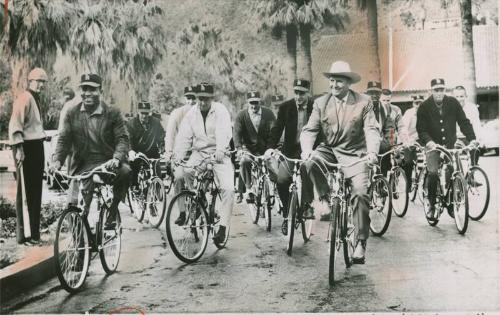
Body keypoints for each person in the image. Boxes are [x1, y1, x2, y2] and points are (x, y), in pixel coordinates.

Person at [300, 60, 380, 264]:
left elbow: (371, 129)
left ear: (349, 83)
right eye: (332, 81)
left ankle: (360, 242)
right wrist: (307, 150)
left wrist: (371, 152)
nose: (334, 85)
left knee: (361, 193)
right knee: (309, 164)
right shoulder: (320, 103)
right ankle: (326, 199)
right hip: (330, 150)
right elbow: (310, 130)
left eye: (339, 82)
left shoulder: (363, 102)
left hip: (355, 154)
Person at [53, 74, 131, 228]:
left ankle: (113, 210)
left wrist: (117, 158)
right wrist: (57, 160)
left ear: (100, 91)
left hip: (107, 162)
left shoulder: (112, 113)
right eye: (84, 88)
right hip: (82, 165)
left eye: (92, 89)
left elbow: (122, 138)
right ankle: (78, 243)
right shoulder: (72, 113)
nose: (87, 93)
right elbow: (64, 139)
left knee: (126, 172)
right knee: (73, 204)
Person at [172, 83, 234, 244]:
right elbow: (184, 136)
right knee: (185, 171)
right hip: (199, 153)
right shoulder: (192, 114)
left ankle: (222, 227)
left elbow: (224, 131)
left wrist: (220, 150)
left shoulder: (220, 111)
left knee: (228, 188)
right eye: (200, 99)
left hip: (219, 154)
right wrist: (178, 156)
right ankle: (199, 199)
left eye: (206, 99)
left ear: (212, 98)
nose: (202, 102)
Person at [416, 78, 478, 219]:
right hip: (433, 146)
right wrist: (429, 142)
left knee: (453, 170)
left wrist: (472, 138)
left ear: (445, 90)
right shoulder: (424, 107)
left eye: (442, 90)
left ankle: (451, 204)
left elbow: (464, 122)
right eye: (436, 90)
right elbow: (421, 129)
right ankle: (431, 205)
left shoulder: (453, 103)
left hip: (450, 145)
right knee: (432, 173)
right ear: (431, 91)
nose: (439, 93)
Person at [266, 79, 317, 233]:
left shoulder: (315, 107)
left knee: (306, 170)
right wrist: (270, 148)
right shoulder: (285, 107)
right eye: (296, 92)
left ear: (308, 93)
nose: (298, 96)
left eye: (302, 93)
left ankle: (307, 206)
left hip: (308, 149)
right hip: (290, 151)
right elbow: (277, 129)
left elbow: (320, 129)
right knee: (281, 180)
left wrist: (318, 148)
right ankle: (288, 215)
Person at [9, 68, 48, 245]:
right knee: (25, 192)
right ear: (29, 81)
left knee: (36, 191)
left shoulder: (36, 99)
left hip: (37, 145)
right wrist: (19, 148)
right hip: (26, 148)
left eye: (43, 82)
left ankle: (34, 234)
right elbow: (15, 124)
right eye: (37, 81)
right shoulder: (24, 98)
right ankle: (25, 236)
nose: (40, 84)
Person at [233, 91, 276, 204]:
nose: (253, 106)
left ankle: (275, 191)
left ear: (260, 102)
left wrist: (272, 147)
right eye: (251, 103)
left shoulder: (268, 113)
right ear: (248, 103)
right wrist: (239, 148)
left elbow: (274, 131)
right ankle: (249, 189)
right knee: (244, 161)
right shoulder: (241, 115)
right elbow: (236, 133)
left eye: (256, 102)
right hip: (249, 149)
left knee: (275, 167)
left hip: (265, 148)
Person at [366, 81, 393, 176]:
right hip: (363, 142)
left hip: (379, 143)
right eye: (371, 93)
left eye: (377, 93)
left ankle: (382, 184)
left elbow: (390, 127)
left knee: (386, 152)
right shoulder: (361, 106)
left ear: (380, 94)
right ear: (367, 93)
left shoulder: (384, 109)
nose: (374, 95)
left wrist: (389, 143)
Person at [400, 94, 425, 189]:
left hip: (422, 139)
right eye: (416, 103)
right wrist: (407, 142)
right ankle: (408, 183)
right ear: (413, 104)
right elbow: (403, 129)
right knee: (408, 162)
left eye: (421, 103)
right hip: (410, 140)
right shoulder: (409, 113)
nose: (418, 105)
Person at [453, 85, 482, 166]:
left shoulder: (472, 108)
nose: (459, 99)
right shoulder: (450, 108)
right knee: (451, 160)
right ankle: (455, 175)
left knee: (475, 150)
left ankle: (472, 172)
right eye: (457, 96)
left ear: (466, 96)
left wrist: (477, 140)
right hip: (455, 138)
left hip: (468, 138)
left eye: (461, 96)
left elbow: (477, 124)